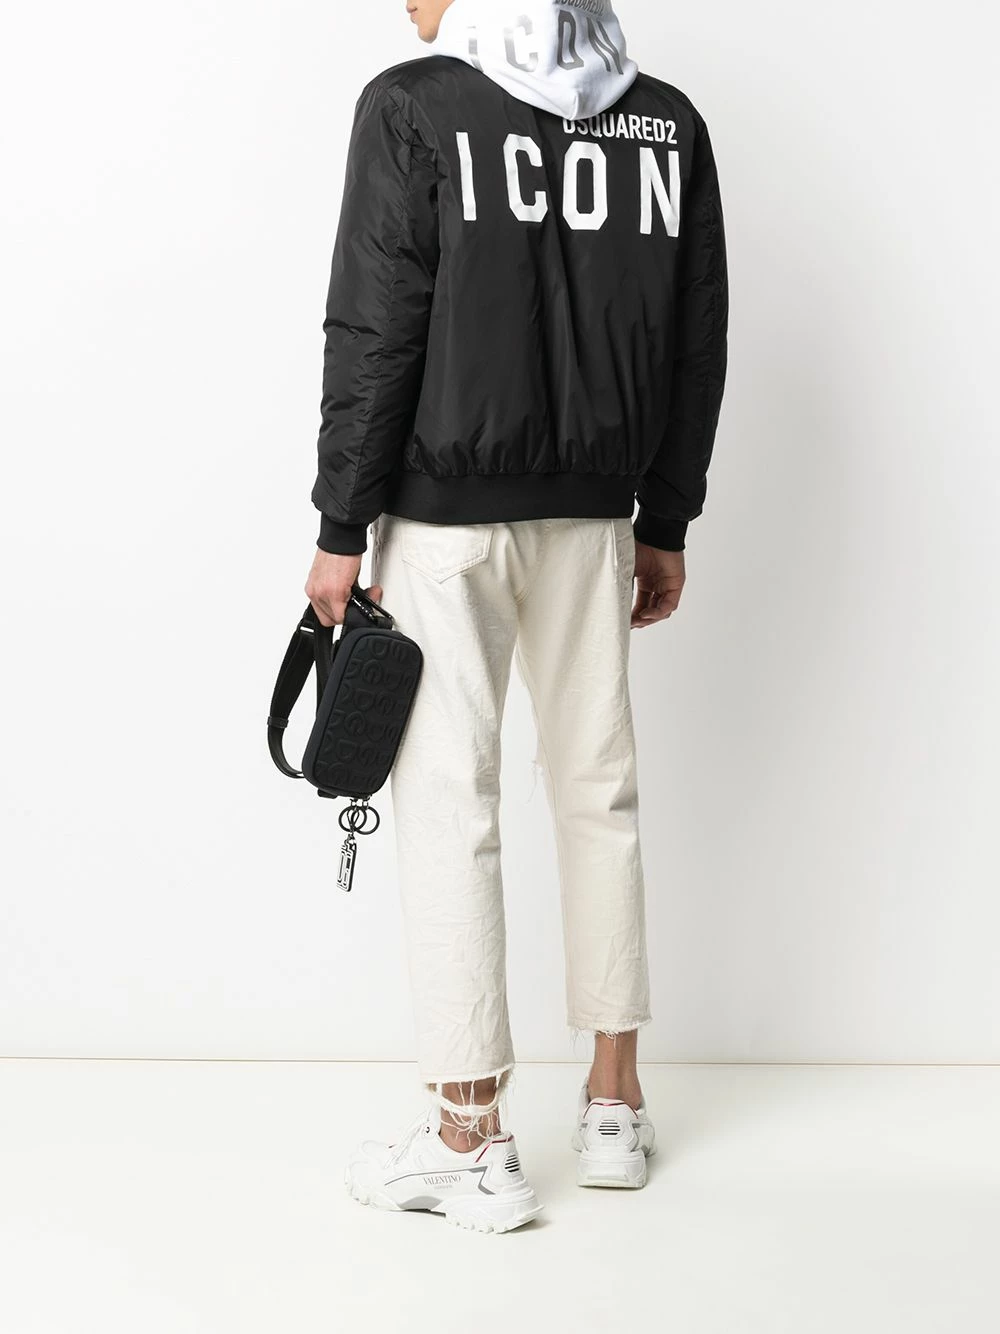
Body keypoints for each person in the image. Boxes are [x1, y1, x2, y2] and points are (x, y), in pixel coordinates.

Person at [304, 0, 728, 1233]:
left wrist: (341, 522)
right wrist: (665, 517)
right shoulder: (665, 124)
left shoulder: (414, 107)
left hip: (446, 520)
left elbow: (377, 327)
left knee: (453, 801)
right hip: (595, 518)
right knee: (600, 788)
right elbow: (695, 336)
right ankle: (613, 1106)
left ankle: (467, 1139)